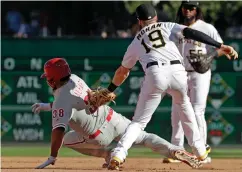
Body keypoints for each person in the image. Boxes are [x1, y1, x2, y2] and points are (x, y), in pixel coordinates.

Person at [99, 3, 237, 170]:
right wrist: (220, 46)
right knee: (185, 107)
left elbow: (122, 72)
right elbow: (191, 32)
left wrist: (110, 90)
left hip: (155, 73)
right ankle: (200, 150)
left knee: (139, 122)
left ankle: (119, 154)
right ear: (156, 17)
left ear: (139, 21)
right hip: (178, 71)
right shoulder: (167, 26)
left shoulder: (135, 41)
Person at [33, 58, 202, 169]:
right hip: (111, 116)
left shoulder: (62, 100)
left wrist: (52, 155)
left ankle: (108, 155)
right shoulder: (74, 79)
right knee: (143, 137)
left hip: (98, 136)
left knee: (67, 140)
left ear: (52, 79)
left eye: (48, 77)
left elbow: (58, 130)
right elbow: (74, 103)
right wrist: (49, 106)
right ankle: (174, 150)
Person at [163, 1, 238, 164]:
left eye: (192, 7)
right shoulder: (174, 28)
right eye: (186, 7)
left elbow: (219, 48)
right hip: (180, 72)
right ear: (182, 9)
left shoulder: (207, 28)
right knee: (176, 110)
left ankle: (202, 150)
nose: (188, 10)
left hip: (200, 73)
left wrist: (208, 57)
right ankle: (176, 150)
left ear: (197, 10)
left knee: (197, 111)